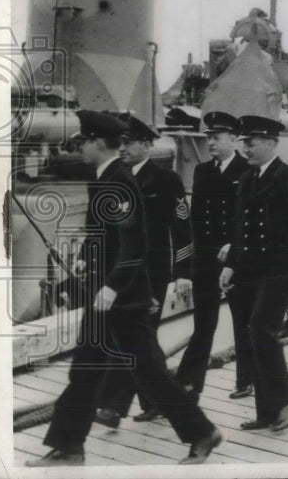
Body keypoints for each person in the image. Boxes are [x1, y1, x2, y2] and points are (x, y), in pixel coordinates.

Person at [29, 111, 221, 467]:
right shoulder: (104, 179)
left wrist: (113, 288)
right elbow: (106, 239)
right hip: (107, 297)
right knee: (85, 371)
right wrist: (84, 267)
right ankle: (70, 447)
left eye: (84, 141)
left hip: (123, 301)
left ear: (99, 143)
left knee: (150, 373)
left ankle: (201, 432)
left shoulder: (118, 182)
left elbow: (135, 245)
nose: (80, 148)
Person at [220, 115, 288, 432]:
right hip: (249, 271)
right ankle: (266, 412)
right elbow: (240, 228)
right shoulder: (247, 179)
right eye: (243, 143)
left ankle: (284, 402)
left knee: (262, 330)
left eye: (251, 142)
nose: (246, 148)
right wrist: (231, 265)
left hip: (279, 271)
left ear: (270, 143)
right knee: (252, 335)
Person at [95, 114, 193, 426]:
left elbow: (182, 229)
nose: (121, 148)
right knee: (137, 340)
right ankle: (159, 401)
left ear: (147, 144)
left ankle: (115, 407)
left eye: (128, 142)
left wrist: (184, 272)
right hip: (121, 274)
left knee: (139, 337)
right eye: (119, 143)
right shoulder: (116, 178)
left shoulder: (166, 181)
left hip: (152, 273)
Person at [174, 111, 254, 402]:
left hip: (238, 259)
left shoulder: (248, 170)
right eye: (208, 138)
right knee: (203, 323)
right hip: (206, 259)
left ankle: (246, 380)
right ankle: (189, 383)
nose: (210, 143)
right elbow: (195, 221)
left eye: (216, 138)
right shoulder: (202, 171)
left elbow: (250, 217)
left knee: (242, 321)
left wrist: (234, 244)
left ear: (234, 139)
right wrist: (187, 266)